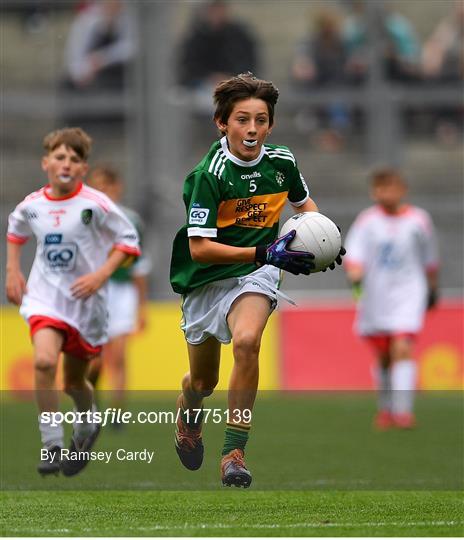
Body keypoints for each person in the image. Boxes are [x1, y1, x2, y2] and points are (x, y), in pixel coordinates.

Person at [169, 72, 345, 487]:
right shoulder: (207, 175)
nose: (252, 130)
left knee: (248, 343)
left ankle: (234, 452)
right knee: (202, 382)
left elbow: (306, 209)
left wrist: (323, 243)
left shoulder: (282, 162)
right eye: (242, 120)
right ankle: (188, 415)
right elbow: (200, 249)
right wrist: (265, 251)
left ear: (271, 124)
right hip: (207, 278)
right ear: (222, 123)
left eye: (261, 120)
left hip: (258, 274)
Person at [5, 128, 140, 476]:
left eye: (75, 159)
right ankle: (51, 444)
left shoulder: (96, 204)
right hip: (45, 299)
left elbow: (129, 242)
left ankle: (87, 425)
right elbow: (16, 229)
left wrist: (100, 275)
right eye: (60, 157)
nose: (66, 164)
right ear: (46, 162)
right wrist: (12, 270)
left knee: (74, 383)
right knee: (45, 362)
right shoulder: (31, 205)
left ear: (83, 168)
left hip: (86, 304)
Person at [344, 167, 439, 430]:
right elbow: (354, 256)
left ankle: (403, 412)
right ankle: (386, 408)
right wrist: (356, 276)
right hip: (376, 294)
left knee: (402, 346)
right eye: (381, 188)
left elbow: (430, 260)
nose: (386, 193)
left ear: (402, 189)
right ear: (374, 192)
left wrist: (432, 289)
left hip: (410, 292)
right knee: (385, 355)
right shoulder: (367, 221)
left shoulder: (420, 220)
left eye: (391, 187)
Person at [85, 166, 150, 416]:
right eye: (99, 186)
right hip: (94, 290)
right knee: (95, 358)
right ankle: (91, 404)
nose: (105, 192)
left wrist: (141, 307)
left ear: (118, 188)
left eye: (109, 186)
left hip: (122, 291)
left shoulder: (131, 221)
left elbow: (140, 266)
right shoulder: (84, 218)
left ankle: (117, 412)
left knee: (119, 355)